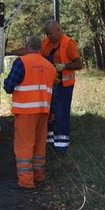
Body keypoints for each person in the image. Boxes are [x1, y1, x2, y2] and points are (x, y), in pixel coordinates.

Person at [3, 34, 56, 190]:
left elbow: (8, 86)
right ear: (40, 48)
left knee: (24, 145)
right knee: (40, 145)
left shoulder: (22, 62)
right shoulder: (49, 66)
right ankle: (39, 176)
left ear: (27, 46)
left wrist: (6, 82)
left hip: (26, 111)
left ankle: (26, 181)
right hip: (43, 111)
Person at [40, 19, 84, 154]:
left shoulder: (68, 44)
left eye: (50, 34)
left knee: (61, 114)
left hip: (64, 86)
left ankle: (61, 148)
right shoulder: (46, 43)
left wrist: (64, 66)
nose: (48, 37)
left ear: (58, 30)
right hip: (50, 85)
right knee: (49, 114)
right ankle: (49, 144)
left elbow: (79, 64)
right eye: (46, 34)